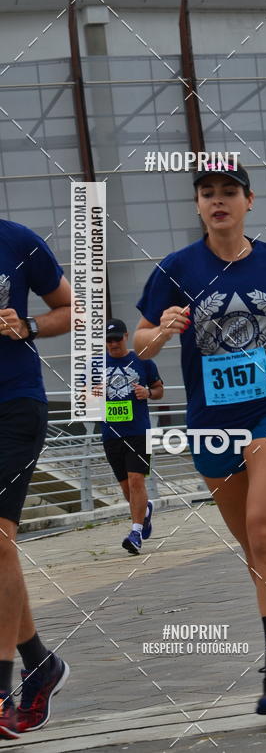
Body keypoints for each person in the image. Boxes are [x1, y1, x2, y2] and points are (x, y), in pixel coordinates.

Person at [133, 158, 266, 715]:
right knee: (254, 547)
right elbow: (140, 343)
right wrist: (161, 332)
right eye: (208, 193)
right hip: (212, 420)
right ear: (197, 206)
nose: (219, 201)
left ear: (249, 201)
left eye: (229, 192)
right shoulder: (175, 267)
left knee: (265, 531)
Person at [0, 219, 71, 738]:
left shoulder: (17, 240)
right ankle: (39, 662)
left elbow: (73, 309)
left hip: (13, 406)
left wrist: (27, 327)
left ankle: (1, 693)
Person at [102, 319, 164, 555]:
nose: (113, 344)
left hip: (139, 431)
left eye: (116, 338)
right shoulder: (95, 365)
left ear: (126, 336)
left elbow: (159, 390)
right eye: (108, 340)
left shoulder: (143, 360)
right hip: (110, 434)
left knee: (137, 480)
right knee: (128, 488)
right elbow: (84, 397)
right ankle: (144, 511)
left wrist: (148, 392)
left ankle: (136, 532)